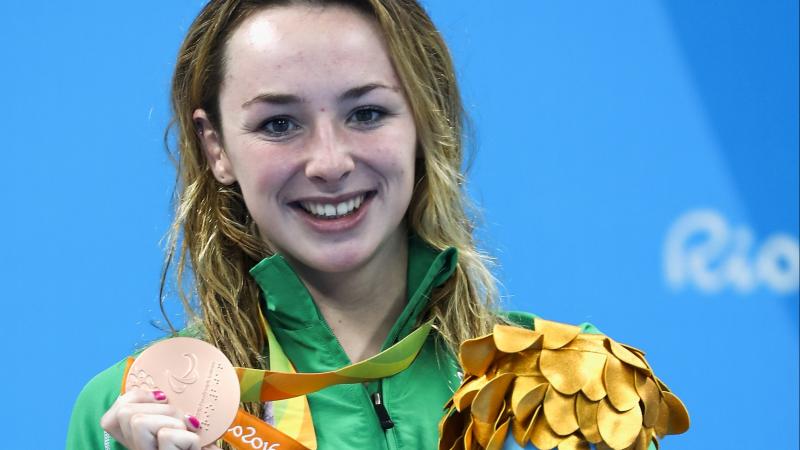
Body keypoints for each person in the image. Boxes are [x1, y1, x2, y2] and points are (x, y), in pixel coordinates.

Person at [67, 1, 507, 449]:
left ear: (424, 119)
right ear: (216, 147)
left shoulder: (557, 390)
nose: (330, 163)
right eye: (279, 124)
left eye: (367, 113)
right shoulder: (131, 418)